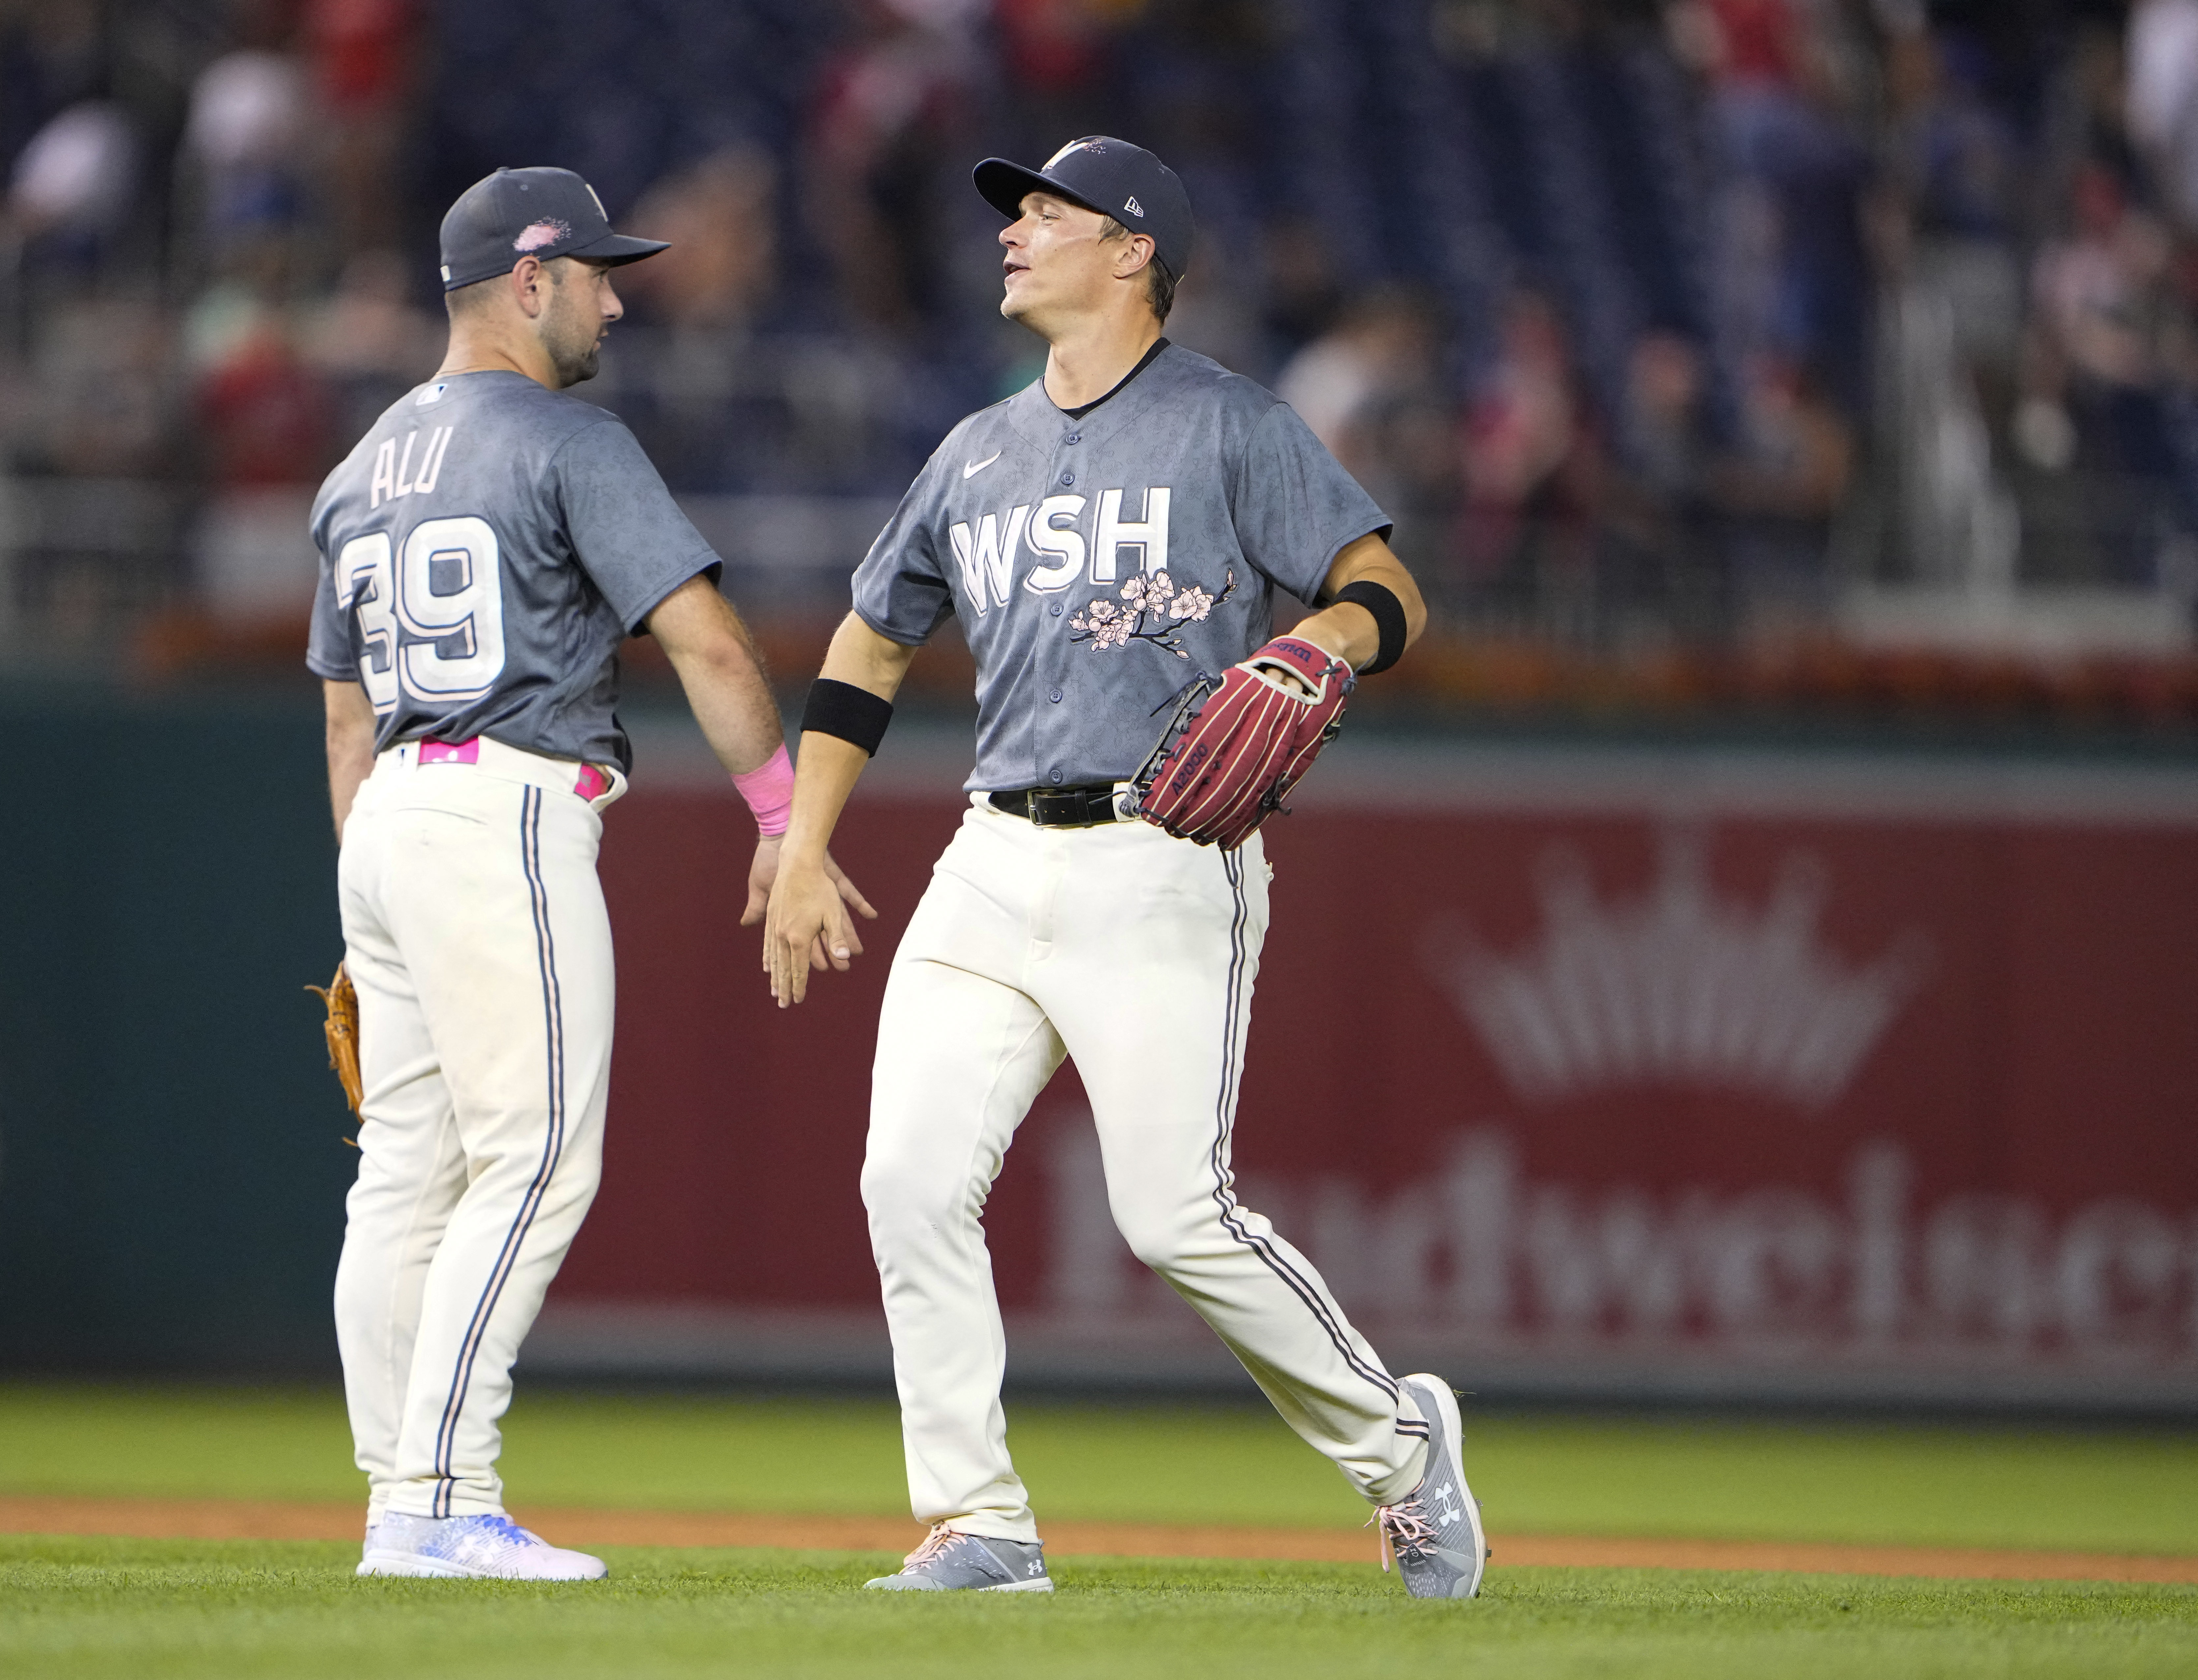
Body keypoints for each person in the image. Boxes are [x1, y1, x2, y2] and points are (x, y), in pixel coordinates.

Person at [761, 137, 1485, 1599]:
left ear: (1134, 249)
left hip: (1165, 849)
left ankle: (1402, 1454)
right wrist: (799, 834)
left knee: (1171, 1216)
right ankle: (979, 1520)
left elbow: (1384, 589)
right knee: (904, 1177)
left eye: (1047, 213)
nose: (1015, 233)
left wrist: (1315, 640)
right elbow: (869, 642)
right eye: (1012, 215)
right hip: (989, 847)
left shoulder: (1229, 427)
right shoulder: (973, 451)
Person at [310, 167, 870, 1581]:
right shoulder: (566, 440)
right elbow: (708, 643)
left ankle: (397, 1496)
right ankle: (440, 1497)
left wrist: (377, 901)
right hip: (499, 807)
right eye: (598, 274)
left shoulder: (357, 463)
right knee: (535, 1155)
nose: (619, 298)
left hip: (385, 822)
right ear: (527, 279)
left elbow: (342, 715)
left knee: (403, 1178)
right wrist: (774, 819)